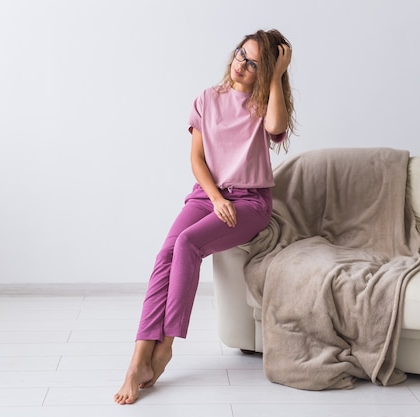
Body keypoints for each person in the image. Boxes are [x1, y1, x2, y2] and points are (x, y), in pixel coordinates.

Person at [114, 28, 295, 405]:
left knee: (188, 243)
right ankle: (137, 360)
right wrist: (215, 198)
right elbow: (197, 160)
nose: (242, 66)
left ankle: (164, 346)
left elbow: (277, 127)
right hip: (207, 195)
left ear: (265, 72)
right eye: (240, 56)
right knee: (165, 254)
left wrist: (277, 76)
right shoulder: (206, 99)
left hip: (250, 202)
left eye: (254, 64)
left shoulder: (263, 103)